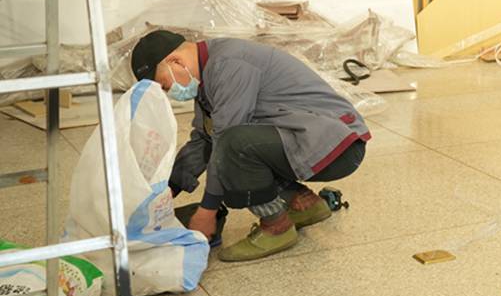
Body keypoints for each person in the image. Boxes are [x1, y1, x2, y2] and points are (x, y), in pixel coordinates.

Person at [130, 30, 370, 263]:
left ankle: (276, 226)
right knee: (238, 144)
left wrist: (207, 211)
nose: (170, 93)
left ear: (176, 61)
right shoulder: (208, 76)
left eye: (164, 85)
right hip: (311, 140)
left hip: (337, 145)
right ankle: (303, 202)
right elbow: (203, 139)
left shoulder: (229, 65)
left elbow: (224, 143)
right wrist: (167, 191)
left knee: (235, 146)